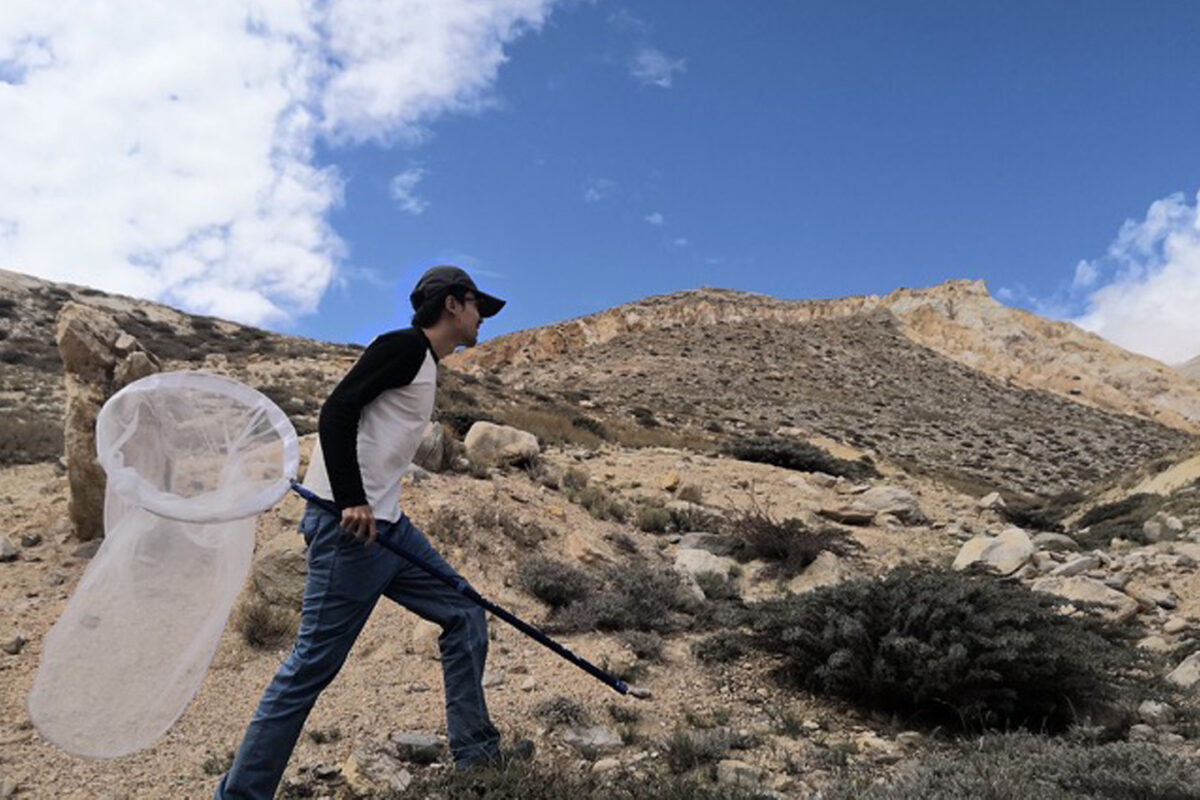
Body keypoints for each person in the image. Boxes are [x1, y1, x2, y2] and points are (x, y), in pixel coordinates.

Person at [215, 265, 514, 799]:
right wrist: (351, 498)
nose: (480, 321)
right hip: (350, 531)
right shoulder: (402, 346)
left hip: (390, 530)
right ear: (452, 304)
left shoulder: (423, 363)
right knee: (310, 667)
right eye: (476, 308)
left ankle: (478, 760)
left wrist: (370, 504)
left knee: (465, 612)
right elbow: (337, 410)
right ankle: (239, 795)